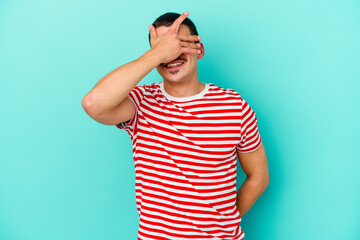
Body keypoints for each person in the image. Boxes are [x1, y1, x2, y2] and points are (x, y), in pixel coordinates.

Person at [81, 11, 269, 240]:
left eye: (179, 43)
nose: (171, 54)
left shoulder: (235, 106)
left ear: (199, 49)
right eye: (163, 47)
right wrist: (155, 55)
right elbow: (93, 104)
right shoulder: (141, 102)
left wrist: (224, 220)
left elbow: (258, 176)